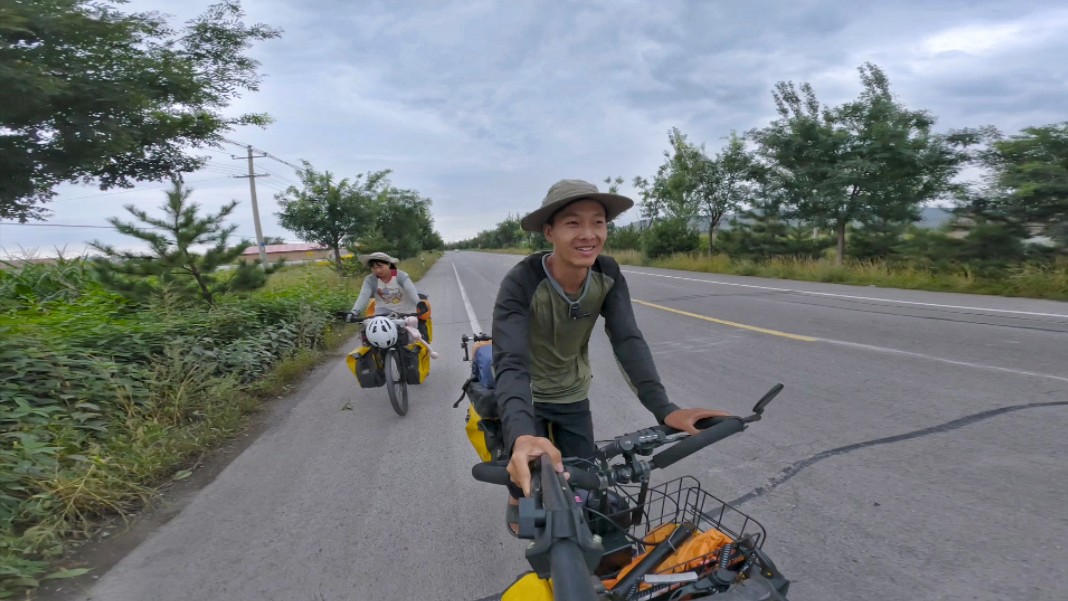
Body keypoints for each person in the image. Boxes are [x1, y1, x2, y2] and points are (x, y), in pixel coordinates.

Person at [492, 179, 728, 535]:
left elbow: (627, 338)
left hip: (572, 392)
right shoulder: (521, 281)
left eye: (598, 222)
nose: (588, 234)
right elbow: (510, 360)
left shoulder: (607, 272)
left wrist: (664, 408)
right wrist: (522, 434)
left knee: (585, 481)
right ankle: (514, 497)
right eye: (573, 223)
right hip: (527, 395)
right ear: (548, 232)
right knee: (525, 470)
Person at [350, 251, 436, 357]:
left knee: (409, 337)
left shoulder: (400, 276)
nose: (377, 270)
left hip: (406, 311)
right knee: (370, 329)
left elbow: (411, 291)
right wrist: (354, 311)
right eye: (373, 268)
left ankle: (413, 355)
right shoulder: (370, 280)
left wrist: (419, 304)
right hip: (383, 312)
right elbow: (363, 296)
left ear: (389, 264)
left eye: (380, 266)